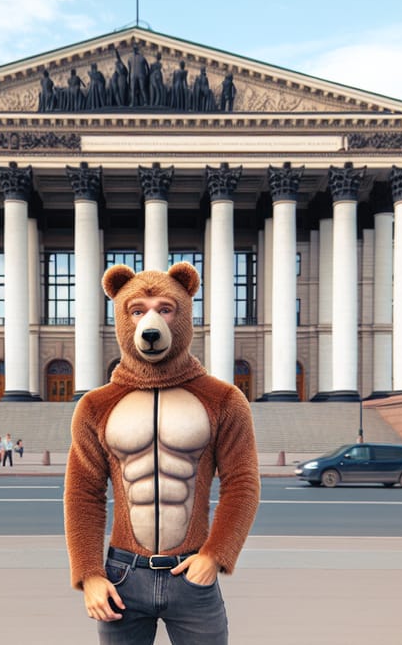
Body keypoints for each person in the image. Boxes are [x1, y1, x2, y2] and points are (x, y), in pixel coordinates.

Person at [64, 263, 260, 644]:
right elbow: (83, 494)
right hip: (122, 576)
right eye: (137, 310)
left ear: (184, 311)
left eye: (165, 308)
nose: (151, 322)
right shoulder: (95, 406)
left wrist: (215, 554)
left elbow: (242, 484)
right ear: (123, 316)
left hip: (192, 574)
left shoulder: (223, 400)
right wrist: (89, 574)